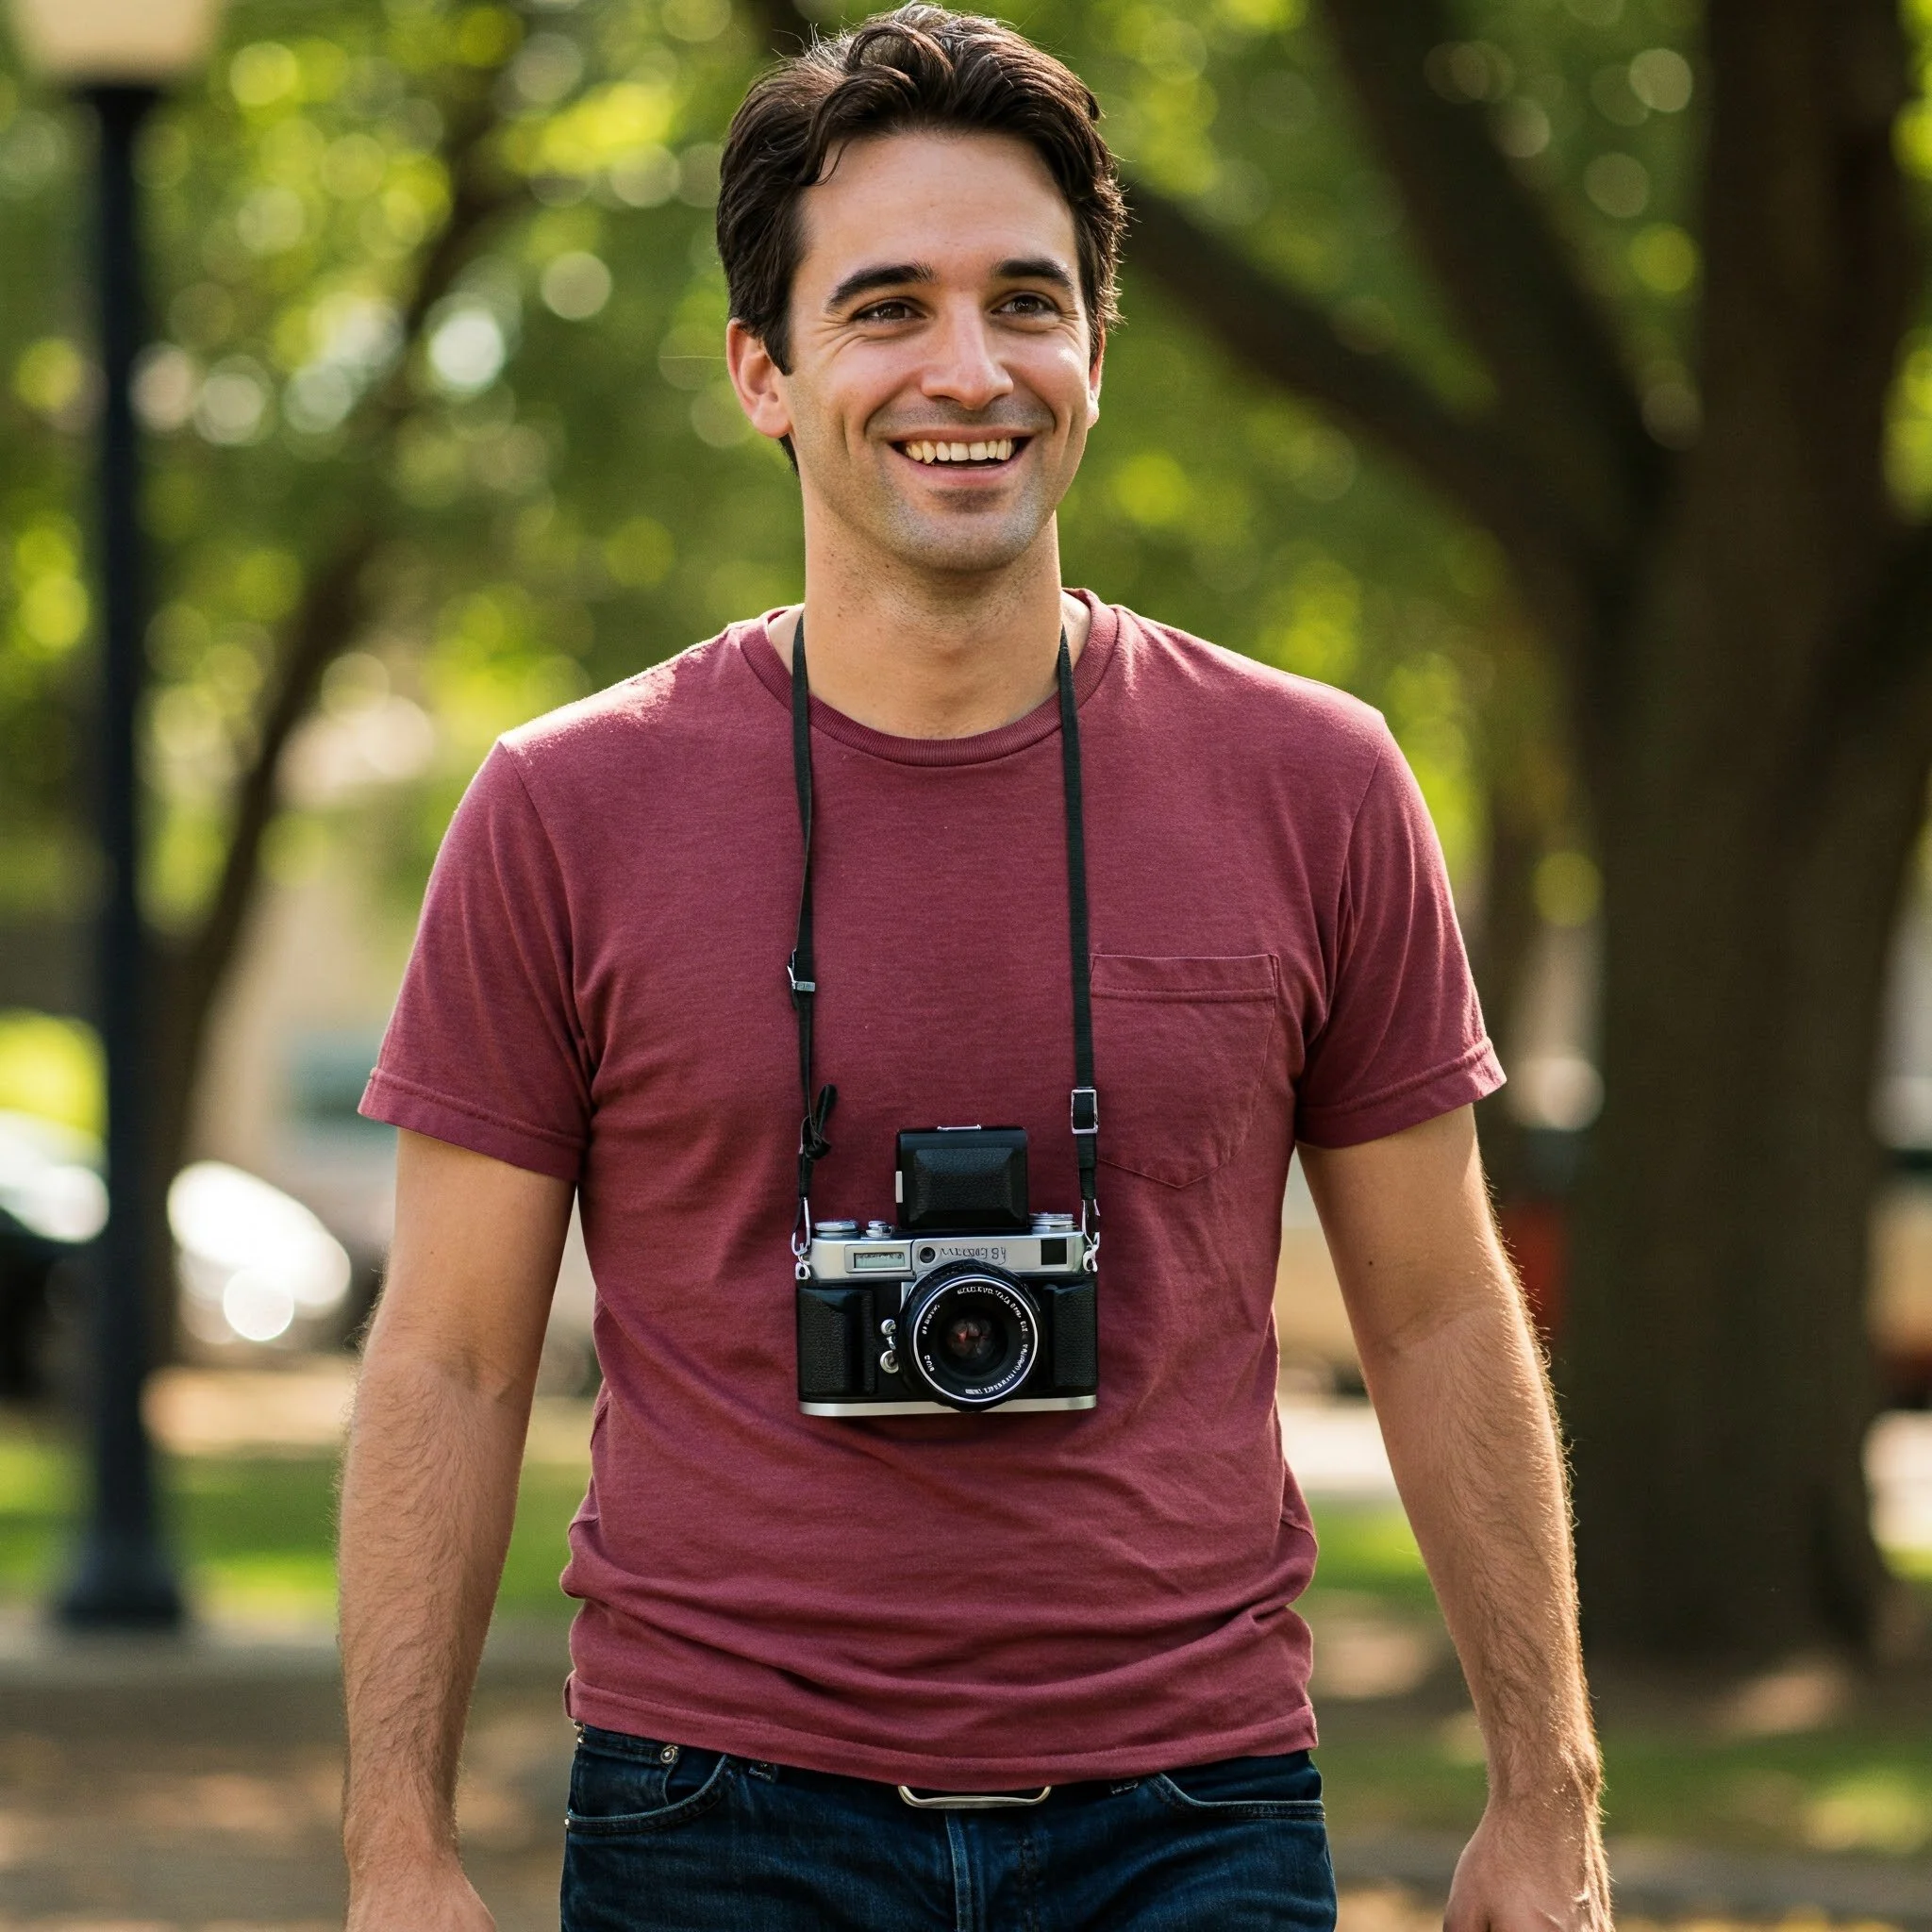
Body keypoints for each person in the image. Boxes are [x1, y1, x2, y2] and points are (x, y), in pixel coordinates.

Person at [339, 8, 1610, 1929]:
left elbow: (1438, 1312)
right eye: (885, 308)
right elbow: (445, 1352)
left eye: (1026, 301)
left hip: (1195, 1807)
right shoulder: (563, 809)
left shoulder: (1316, 781)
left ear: (1098, 349)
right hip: (716, 1813)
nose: (968, 369)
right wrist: (396, 1843)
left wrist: (1550, 1785)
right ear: (765, 370)